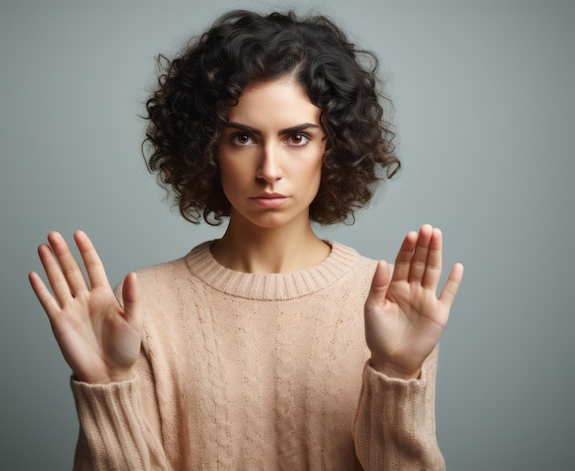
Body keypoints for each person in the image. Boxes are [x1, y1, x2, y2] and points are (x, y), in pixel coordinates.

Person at [28, 10, 463, 470]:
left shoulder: (389, 303)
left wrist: (396, 374)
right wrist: (107, 388)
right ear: (205, 147)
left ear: (332, 147)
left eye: (297, 137)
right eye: (242, 138)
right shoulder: (144, 305)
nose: (269, 169)